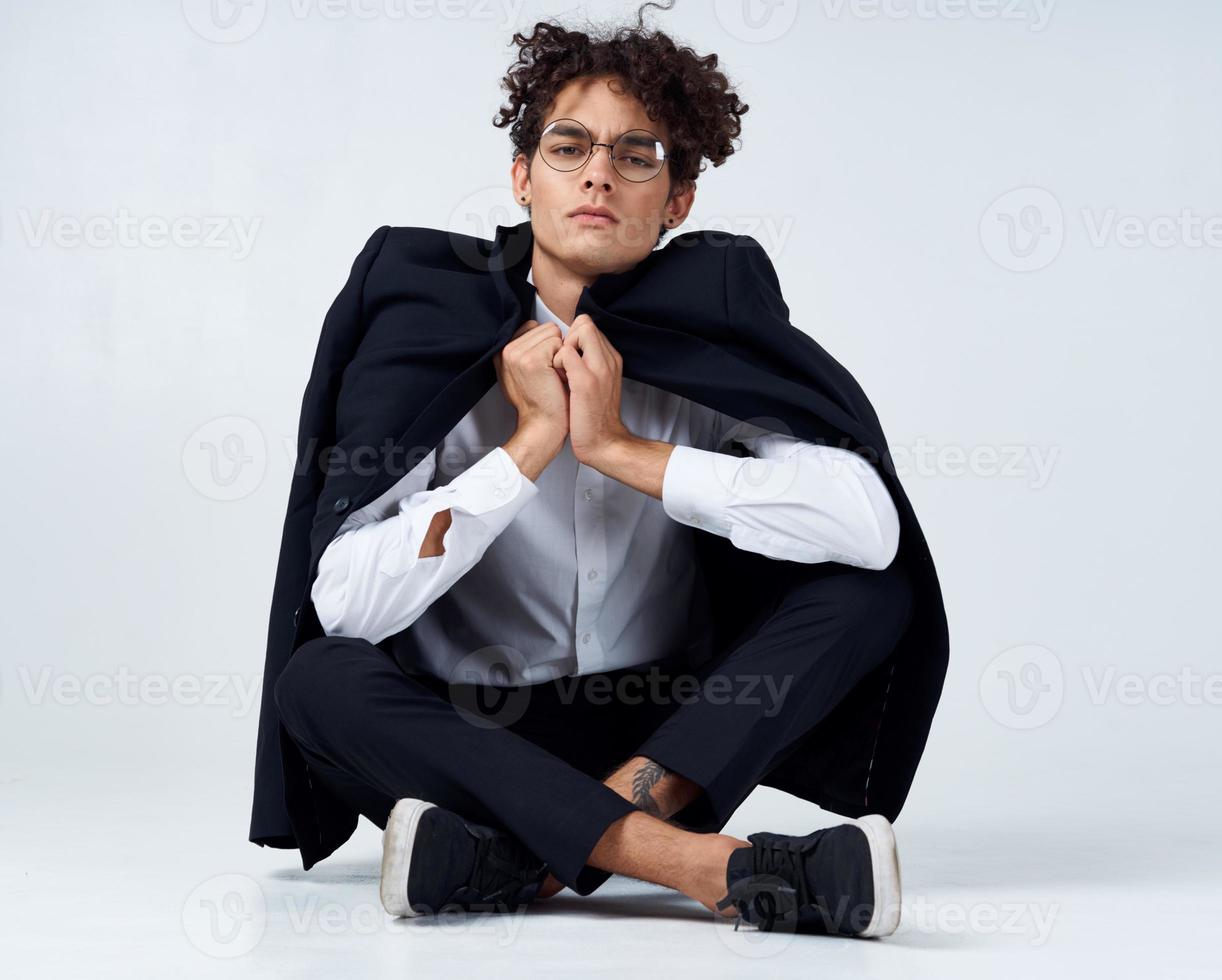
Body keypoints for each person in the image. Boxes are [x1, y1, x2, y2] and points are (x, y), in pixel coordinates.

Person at [270, 14, 923, 937]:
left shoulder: (713, 330)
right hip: (471, 733)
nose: (598, 173)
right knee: (317, 681)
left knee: (872, 593)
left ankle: (519, 860)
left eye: (638, 154)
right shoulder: (424, 321)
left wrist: (621, 449)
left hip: (664, 739)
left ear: (679, 201)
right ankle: (707, 868)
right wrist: (528, 445)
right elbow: (343, 605)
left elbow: (870, 526)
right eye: (568, 145)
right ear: (521, 178)